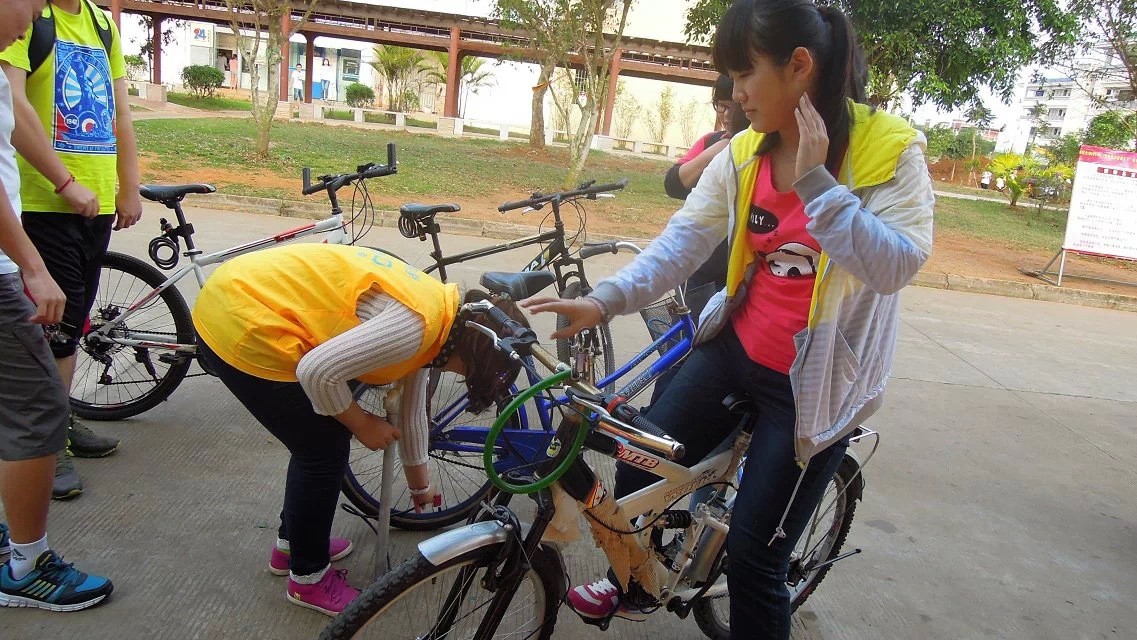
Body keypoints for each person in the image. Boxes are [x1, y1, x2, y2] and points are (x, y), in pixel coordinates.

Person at [522, 1, 934, 638]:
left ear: (800, 67)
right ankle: (644, 572)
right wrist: (603, 300)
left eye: (744, 74)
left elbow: (896, 266)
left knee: (756, 562)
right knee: (638, 459)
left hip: (813, 389)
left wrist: (819, 184)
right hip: (735, 346)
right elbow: (682, 242)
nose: (735, 94)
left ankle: (733, 562)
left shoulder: (891, 151)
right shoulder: (742, 153)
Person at [191, 243, 529, 617]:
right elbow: (316, 373)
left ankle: (293, 547)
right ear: (471, 355)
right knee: (322, 448)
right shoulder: (414, 329)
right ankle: (308, 579)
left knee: (317, 438)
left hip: (242, 294)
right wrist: (361, 423)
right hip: (240, 318)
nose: (462, 378)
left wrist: (419, 483)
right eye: (471, 375)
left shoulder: (442, 319)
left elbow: (412, 405)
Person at [0, 0, 142, 500]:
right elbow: (13, 104)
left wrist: (129, 184)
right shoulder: (28, 18)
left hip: (95, 201)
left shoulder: (101, 24)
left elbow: (120, 110)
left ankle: (59, 423)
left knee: (75, 317)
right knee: (55, 328)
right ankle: (48, 442)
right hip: (46, 203)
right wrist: (63, 183)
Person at [0, 0, 114, 612]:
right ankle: (25, 565)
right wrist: (32, 266)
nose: (28, 17)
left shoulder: (98, 23)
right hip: (26, 241)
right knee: (40, 407)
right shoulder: (23, 43)